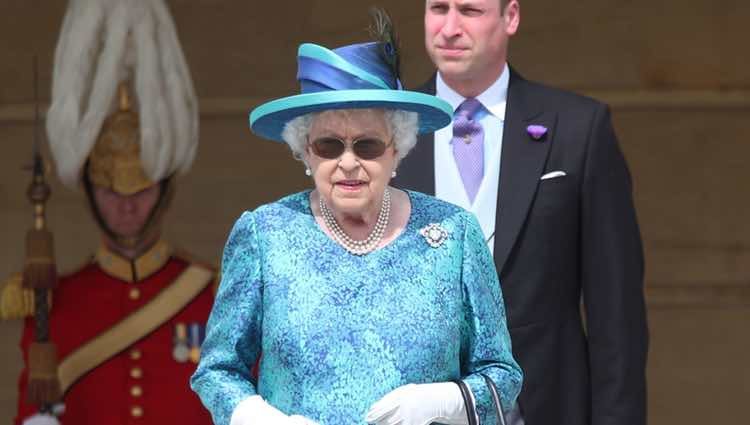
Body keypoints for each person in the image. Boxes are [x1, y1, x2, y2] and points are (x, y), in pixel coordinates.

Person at [190, 12, 523, 425]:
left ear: (396, 150)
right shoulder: (264, 234)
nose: (348, 163)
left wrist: (447, 400)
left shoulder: (453, 234)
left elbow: (502, 376)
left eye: (367, 146)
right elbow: (218, 371)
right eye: (329, 146)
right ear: (305, 151)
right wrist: (259, 418)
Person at [393, 1, 649, 424]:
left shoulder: (578, 128)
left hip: (545, 404)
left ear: (510, 17)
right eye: (438, 8)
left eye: (470, 11)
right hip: (413, 406)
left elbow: (616, 315)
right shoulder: (385, 129)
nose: (450, 28)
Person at [0, 1, 215, 424]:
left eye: (141, 188)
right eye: (109, 190)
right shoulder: (53, 302)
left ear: (164, 189)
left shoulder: (212, 295)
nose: (127, 204)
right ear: (89, 192)